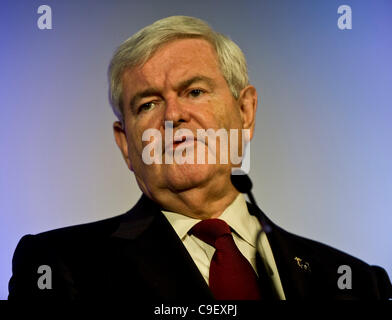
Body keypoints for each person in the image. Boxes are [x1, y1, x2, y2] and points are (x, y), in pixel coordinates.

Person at [8, 16, 391, 301]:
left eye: (194, 91)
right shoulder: (59, 267)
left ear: (245, 112)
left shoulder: (355, 281)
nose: (173, 115)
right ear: (125, 143)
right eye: (148, 103)